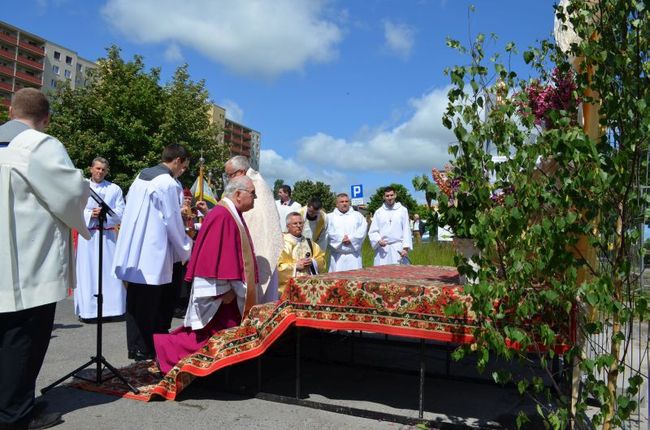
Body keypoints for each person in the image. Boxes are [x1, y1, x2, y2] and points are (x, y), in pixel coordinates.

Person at [0, 88, 90, 429]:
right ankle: (14, 414)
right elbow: (70, 192)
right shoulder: (40, 145)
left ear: (10, 110)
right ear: (46, 119)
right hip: (26, 262)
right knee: (23, 338)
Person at [154, 176, 259, 374]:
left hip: (229, 290)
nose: (255, 197)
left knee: (218, 333)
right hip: (223, 293)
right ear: (238, 194)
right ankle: (164, 351)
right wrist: (223, 292)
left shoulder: (230, 213)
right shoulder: (222, 215)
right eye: (252, 193)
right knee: (208, 335)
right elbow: (213, 257)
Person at [112, 144, 192, 362]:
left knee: (137, 300)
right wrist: (187, 249)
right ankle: (149, 346)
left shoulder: (142, 176)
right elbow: (172, 221)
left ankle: (136, 347)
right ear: (176, 161)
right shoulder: (168, 183)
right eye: (183, 167)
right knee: (154, 302)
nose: (182, 171)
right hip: (155, 251)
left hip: (136, 247)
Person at [224, 155, 283, 302]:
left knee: (259, 300)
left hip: (260, 249)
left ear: (240, 172)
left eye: (230, 175)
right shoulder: (251, 182)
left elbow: (253, 221)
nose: (228, 179)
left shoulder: (253, 185)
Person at [74, 157, 126, 323]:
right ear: (91, 168)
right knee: (88, 271)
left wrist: (104, 215)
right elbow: (73, 209)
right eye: (97, 168)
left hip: (108, 237)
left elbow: (121, 213)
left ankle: (112, 309)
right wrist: (90, 214)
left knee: (109, 272)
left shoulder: (114, 189)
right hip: (88, 236)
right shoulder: (81, 188)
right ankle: (89, 311)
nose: (100, 172)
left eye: (103, 169)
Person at [277, 212, 326, 297]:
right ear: (288, 226)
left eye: (300, 223)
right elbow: (277, 268)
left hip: (309, 287)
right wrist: (296, 266)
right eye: (295, 223)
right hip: (289, 289)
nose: (298, 225)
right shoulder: (282, 243)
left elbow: (322, 260)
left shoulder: (309, 242)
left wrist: (313, 262)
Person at [368, 187, 412, 265]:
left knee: (399, 274)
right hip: (383, 249)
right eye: (387, 196)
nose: (389, 198)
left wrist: (405, 248)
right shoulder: (379, 212)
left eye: (391, 195)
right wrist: (378, 240)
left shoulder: (402, 210)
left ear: (395, 195)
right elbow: (373, 231)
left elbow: (406, 230)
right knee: (382, 274)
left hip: (398, 248)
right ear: (384, 197)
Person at [326, 193, 368, 272]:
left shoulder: (358, 215)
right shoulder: (329, 217)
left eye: (346, 201)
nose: (344, 204)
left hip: (354, 256)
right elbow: (328, 231)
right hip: (337, 256)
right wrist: (340, 239)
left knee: (355, 280)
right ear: (337, 204)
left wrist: (351, 239)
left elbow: (362, 230)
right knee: (337, 281)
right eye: (341, 202)